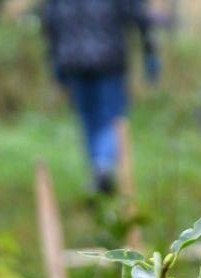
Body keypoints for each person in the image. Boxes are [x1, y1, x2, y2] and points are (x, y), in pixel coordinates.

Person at [40, 0, 159, 194]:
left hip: (73, 58)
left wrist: (54, 60)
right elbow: (137, 12)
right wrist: (149, 50)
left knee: (88, 119)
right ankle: (102, 165)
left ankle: (97, 170)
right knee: (110, 117)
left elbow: (51, 20)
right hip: (108, 58)